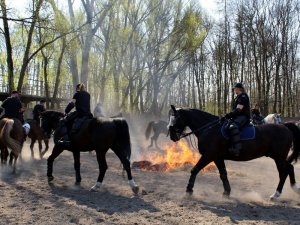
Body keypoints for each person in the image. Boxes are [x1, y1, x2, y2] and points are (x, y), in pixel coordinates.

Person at [221, 82, 250, 156]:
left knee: (233, 127)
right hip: (238, 116)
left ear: (238, 89)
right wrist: (228, 115)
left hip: (244, 116)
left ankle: (237, 149)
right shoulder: (238, 97)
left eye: (234, 89)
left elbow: (238, 110)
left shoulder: (243, 97)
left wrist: (228, 114)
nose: (234, 90)